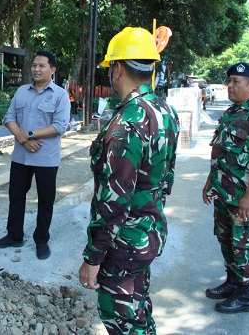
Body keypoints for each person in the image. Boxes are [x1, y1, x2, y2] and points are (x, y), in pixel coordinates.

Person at [78, 27, 180, 334]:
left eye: (110, 68)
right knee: (138, 308)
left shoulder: (129, 121)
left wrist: (93, 257)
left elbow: (115, 199)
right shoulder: (163, 109)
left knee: (120, 318)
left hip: (124, 242)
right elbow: (166, 176)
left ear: (118, 68)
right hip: (148, 230)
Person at [202, 62, 249, 313]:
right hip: (223, 193)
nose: (230, 85)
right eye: (230, 80)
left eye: (236, 81)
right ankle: (233, 282)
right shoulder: (231, 113)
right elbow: (221, 152)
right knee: (226, 240)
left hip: (242, 197)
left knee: (243, 244)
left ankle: (246, 295)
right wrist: (208, 183)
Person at [0, 50, 70, 260]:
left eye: (42, 66)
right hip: (21, 156)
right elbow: (9, 117)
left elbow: (60, 126)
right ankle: (14, 235)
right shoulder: (22, 92)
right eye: (34, 65)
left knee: (45, 200)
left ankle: (41, 240)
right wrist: (22, 138)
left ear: (52, 70)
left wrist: (30, 134)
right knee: (16, 196)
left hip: (46, 158)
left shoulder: (60, 95)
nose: (36, 69)